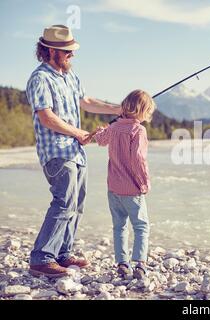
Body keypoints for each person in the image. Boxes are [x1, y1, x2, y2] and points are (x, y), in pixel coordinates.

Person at [26, 25, 122, 278]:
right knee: (63, 202)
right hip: (56, 152)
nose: (71, 54)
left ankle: (62, 253)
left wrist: (119, 109)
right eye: (66, 51)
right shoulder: (40, 78)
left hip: (76, 152)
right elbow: (46, 117)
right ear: (49, 51)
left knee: (76, 204)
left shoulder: (71, 77)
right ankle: (41, 258)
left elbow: (87, 103)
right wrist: (78, 133)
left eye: (71, 50)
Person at [94, 90, 155, 279]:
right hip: (131, 189)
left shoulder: (113, 128)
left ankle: (122, 263)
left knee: (119, 226)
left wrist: (99, 131)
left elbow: (100, 141)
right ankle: (140, 264)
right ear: (143, 111)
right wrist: (144, 183)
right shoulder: (139, 130)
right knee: (141, 226)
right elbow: (138, 159)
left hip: (113, 188)